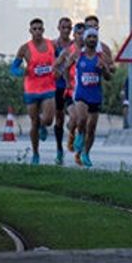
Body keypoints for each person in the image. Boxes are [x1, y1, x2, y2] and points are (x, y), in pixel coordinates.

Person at [61, 27, 114, 168]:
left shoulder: (101, 57)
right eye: (89, 37)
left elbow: (108, 77)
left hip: (95, 95)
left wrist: (104, 69)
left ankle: (86, 153)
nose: (92, 39)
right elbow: (66, 68)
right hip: (81, 93)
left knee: (91, 128)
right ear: (85, 39)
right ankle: (79, 135)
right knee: (82, 118)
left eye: (94, 37)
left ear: (97, 39)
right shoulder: (78, 55)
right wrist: (68, 82)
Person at [11, 18, 58, 165]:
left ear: (43, 30)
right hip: (31, 90)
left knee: (48, 119)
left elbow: (61, 58)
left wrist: (59, 70)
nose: (37, 31)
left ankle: (43, 126)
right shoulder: (25, 48)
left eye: (39, 28)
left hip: (48, 88)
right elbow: (13, 68)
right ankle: (36, 153)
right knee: (34, 122)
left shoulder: (51, 45)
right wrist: (21, 72)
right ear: (30, 31)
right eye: (34, 29)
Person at [53, 22, 87, 164]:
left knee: (83, 121)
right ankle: (69, 135)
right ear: (74, 35)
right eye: (78, 34)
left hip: (85, 91)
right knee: (72, 118)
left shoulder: (90, 51)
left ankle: (79, 154)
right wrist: (63, 76)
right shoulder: (68, 51)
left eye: (83, 34)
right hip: (70, 91)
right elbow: (55, 66)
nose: (81, 37)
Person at [52, 17, 74, 162]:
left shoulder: (75, 46)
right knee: (59, 119)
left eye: (68, 28)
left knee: (75, 116)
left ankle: (72, 130)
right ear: (58, 28)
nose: (66, 30)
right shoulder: (53, 45)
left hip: (71, 86)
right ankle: (59, 148)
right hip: (58, 86)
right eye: (63, 27)